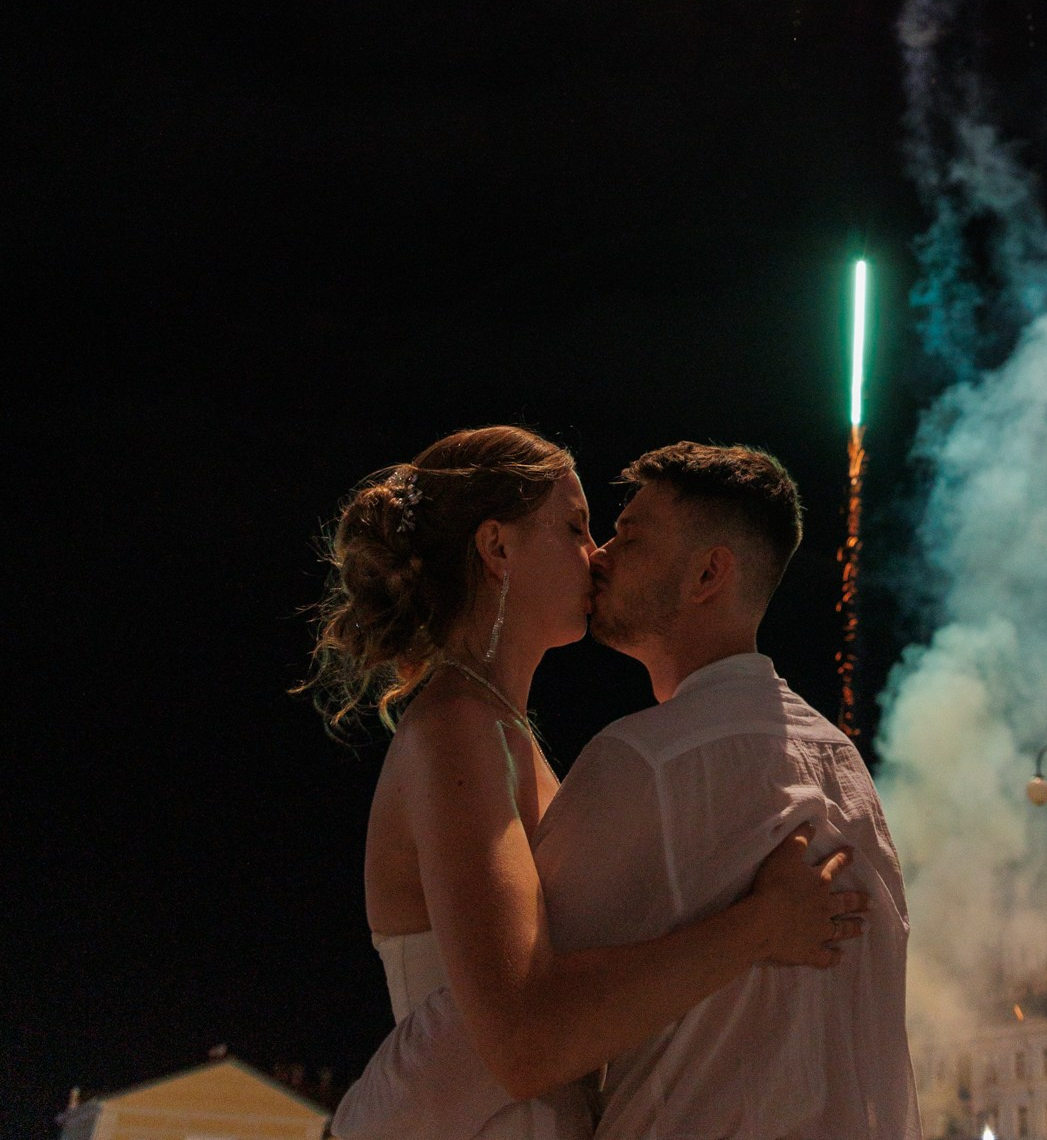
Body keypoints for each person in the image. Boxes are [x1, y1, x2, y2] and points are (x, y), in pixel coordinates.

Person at [309, 425, 868, 1140]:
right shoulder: (455, 727)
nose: (597, 552)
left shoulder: (503, 734)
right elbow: (523, 1041)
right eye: (574, 527)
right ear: (498, 549)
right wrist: (759, 926)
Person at [533, 442, 922, 1140]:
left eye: (631, 536)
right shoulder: (847, 770)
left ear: (708, 573)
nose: (601, 556)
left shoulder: (645, 762)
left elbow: (537, 1014)